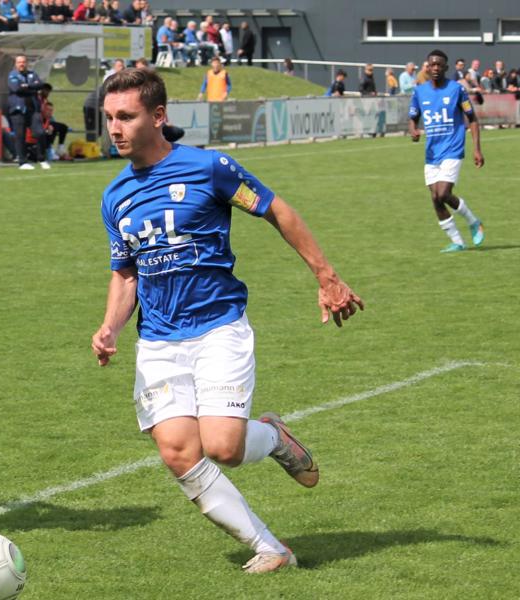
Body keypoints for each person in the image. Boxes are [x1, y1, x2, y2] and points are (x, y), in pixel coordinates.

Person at [93, 67, 363, 574]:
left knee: (223, 447)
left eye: (125, 117)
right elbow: (125, 274)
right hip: (158, 340)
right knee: (178, 453)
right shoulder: (115, 197)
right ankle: (271, 548)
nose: (114, 128)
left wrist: (326, 277)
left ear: (157, 116)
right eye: (108, 118)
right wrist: (109, 326)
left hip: (218, 327)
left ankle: (275, 437)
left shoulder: (208, 169)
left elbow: (276, 210)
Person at [408, 49, 485, 253]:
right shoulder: (419, 91)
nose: (435, 68)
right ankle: (457, 241)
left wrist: (477, 149)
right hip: (431, 153)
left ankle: (473, 221)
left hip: (453, 149)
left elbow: (473, 119)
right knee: (435, 198)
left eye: (439, 65)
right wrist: (413, 130)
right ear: (427, 66)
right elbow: (413, 117)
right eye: (431, 64)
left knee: (443, 194)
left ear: (445, 68)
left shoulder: (456, 90)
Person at [7, 54, 48, 170]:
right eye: (19, 62)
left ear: (27, 63)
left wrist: (27, 86)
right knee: (20, 136)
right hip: (18, 110)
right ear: (16, 64)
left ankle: (42, 159)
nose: (22, 64)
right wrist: (32, 87)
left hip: (33, 109)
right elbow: (16, 88)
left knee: (40, 133)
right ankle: (22, 161)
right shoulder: (12, 75)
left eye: (23, 62)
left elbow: (40, 85)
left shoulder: (32, 74)